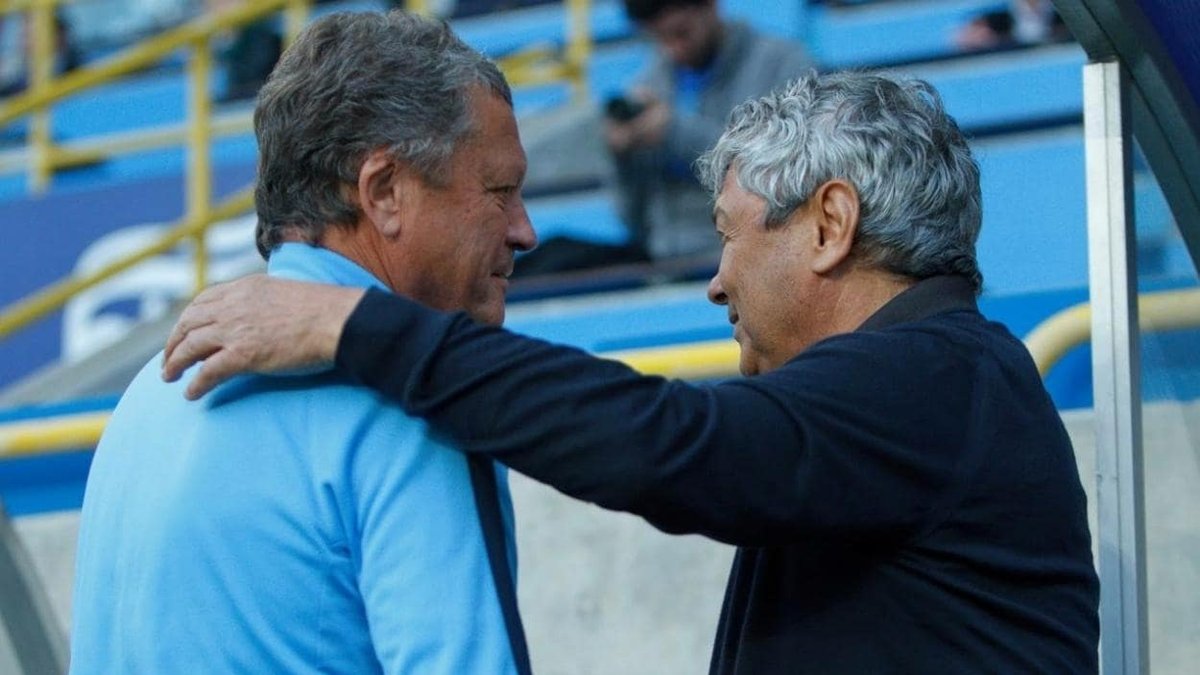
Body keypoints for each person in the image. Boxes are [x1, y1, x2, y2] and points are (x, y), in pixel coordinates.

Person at [163, 72, 1100, 672]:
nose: (716, 281)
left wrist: (357, 327)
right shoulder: (928, 387)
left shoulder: (939, 377)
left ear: (830, 224)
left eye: (728, 236)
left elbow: (674, 443)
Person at [71, 11, 535, 674]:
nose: (524, 231)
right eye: (500, 192)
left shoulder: (152, 392)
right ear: (384, 192)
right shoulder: (417, 403)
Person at [515, 0, 812, 276]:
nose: (673, 50)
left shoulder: (782, 64)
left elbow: (781, 178)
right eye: (658, 39)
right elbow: (631, 219)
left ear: (710, 7)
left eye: (682, 33)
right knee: (550, 258)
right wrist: (623, 157)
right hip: (663, 257)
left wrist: (673, 132)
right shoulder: (652, 82)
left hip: (748, 257)